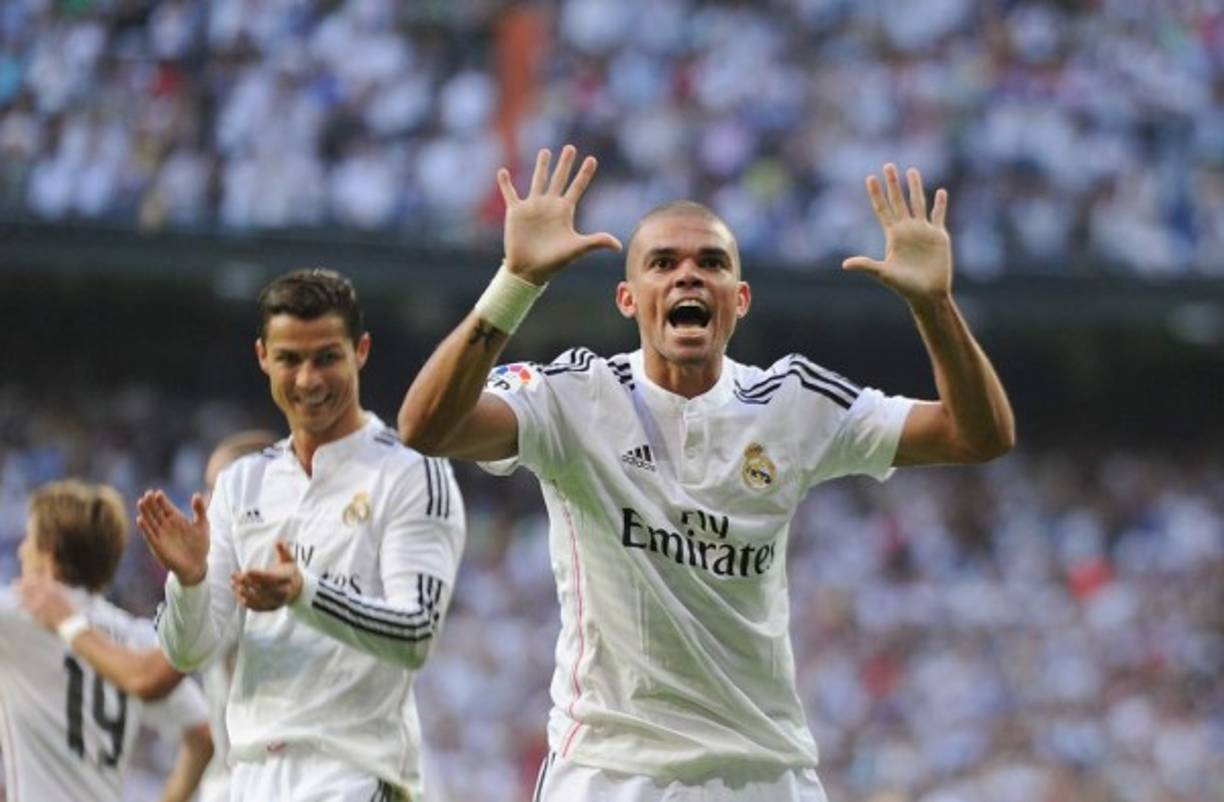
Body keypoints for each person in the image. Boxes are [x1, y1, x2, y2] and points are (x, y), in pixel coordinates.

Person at [398, 146, 1015, 800]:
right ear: (628, 298)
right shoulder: (571, 394)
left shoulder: (794, 401)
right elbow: (427, 427)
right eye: (662, 263)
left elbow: (978, 435)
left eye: (711, 263)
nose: (687, 276)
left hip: (764, 773)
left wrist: (935, 307)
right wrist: (516, 280)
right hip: (611, 773)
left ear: (739, 298)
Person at [139, 269, 465, 801]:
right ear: (263, 357)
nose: (309, 380)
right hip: (251, 777)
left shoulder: (410, 474)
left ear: (360, 351)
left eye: (326, 357)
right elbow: (189, 652)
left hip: (351, 772)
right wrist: (190, 582)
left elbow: (416, 635)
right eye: (290, 359)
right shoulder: (243, 483)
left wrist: (304, 592)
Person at [17, 429, 279, 802]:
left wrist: (68, 623)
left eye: (216, 489)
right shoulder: (293, 570)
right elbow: (200, 731)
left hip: (258, 786)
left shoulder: (245, 580)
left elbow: (149, 677)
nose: (203, 502)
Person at [0, 479, 213, 802]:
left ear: (50, 554)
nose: (20, 549)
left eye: (29, 538)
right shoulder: (137, 639)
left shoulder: (21, 615)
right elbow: (203, 736)